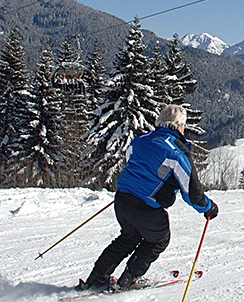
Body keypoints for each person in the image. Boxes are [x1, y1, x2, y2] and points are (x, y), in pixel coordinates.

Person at [77, 105, 218, 291]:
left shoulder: (140, 140)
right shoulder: (176, 151)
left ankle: (96, 278)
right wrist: (208, 208)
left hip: (123, 200)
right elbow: (192, 192)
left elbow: (134, 163)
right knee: (158, 239)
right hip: (147, 208)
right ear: (180, 126)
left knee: (128, 238)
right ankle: (128, 279)